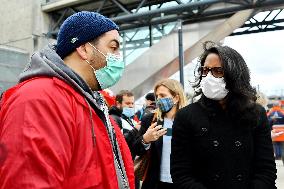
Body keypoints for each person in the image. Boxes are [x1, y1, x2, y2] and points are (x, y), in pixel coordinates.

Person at [0, 11, 134, 189]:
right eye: (113, 47)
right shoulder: (39, 99)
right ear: (84, 49)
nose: (118, 57)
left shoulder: (91, 101)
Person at [171, 42, 277, 189]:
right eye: (205, 70)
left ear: (235, 75)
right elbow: (181, 173)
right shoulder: (186, 116)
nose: (209, 76)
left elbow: (266, 170)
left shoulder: (256, 114)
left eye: (218, 71)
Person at [132, 79, 187, 189]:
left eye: (163, 95)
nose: (159, 100)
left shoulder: (188, 120)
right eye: (157, 96)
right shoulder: (150, 120)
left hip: (182, 182)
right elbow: (135, 149)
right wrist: (145, 139)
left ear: (176, 97)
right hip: (155, 182)